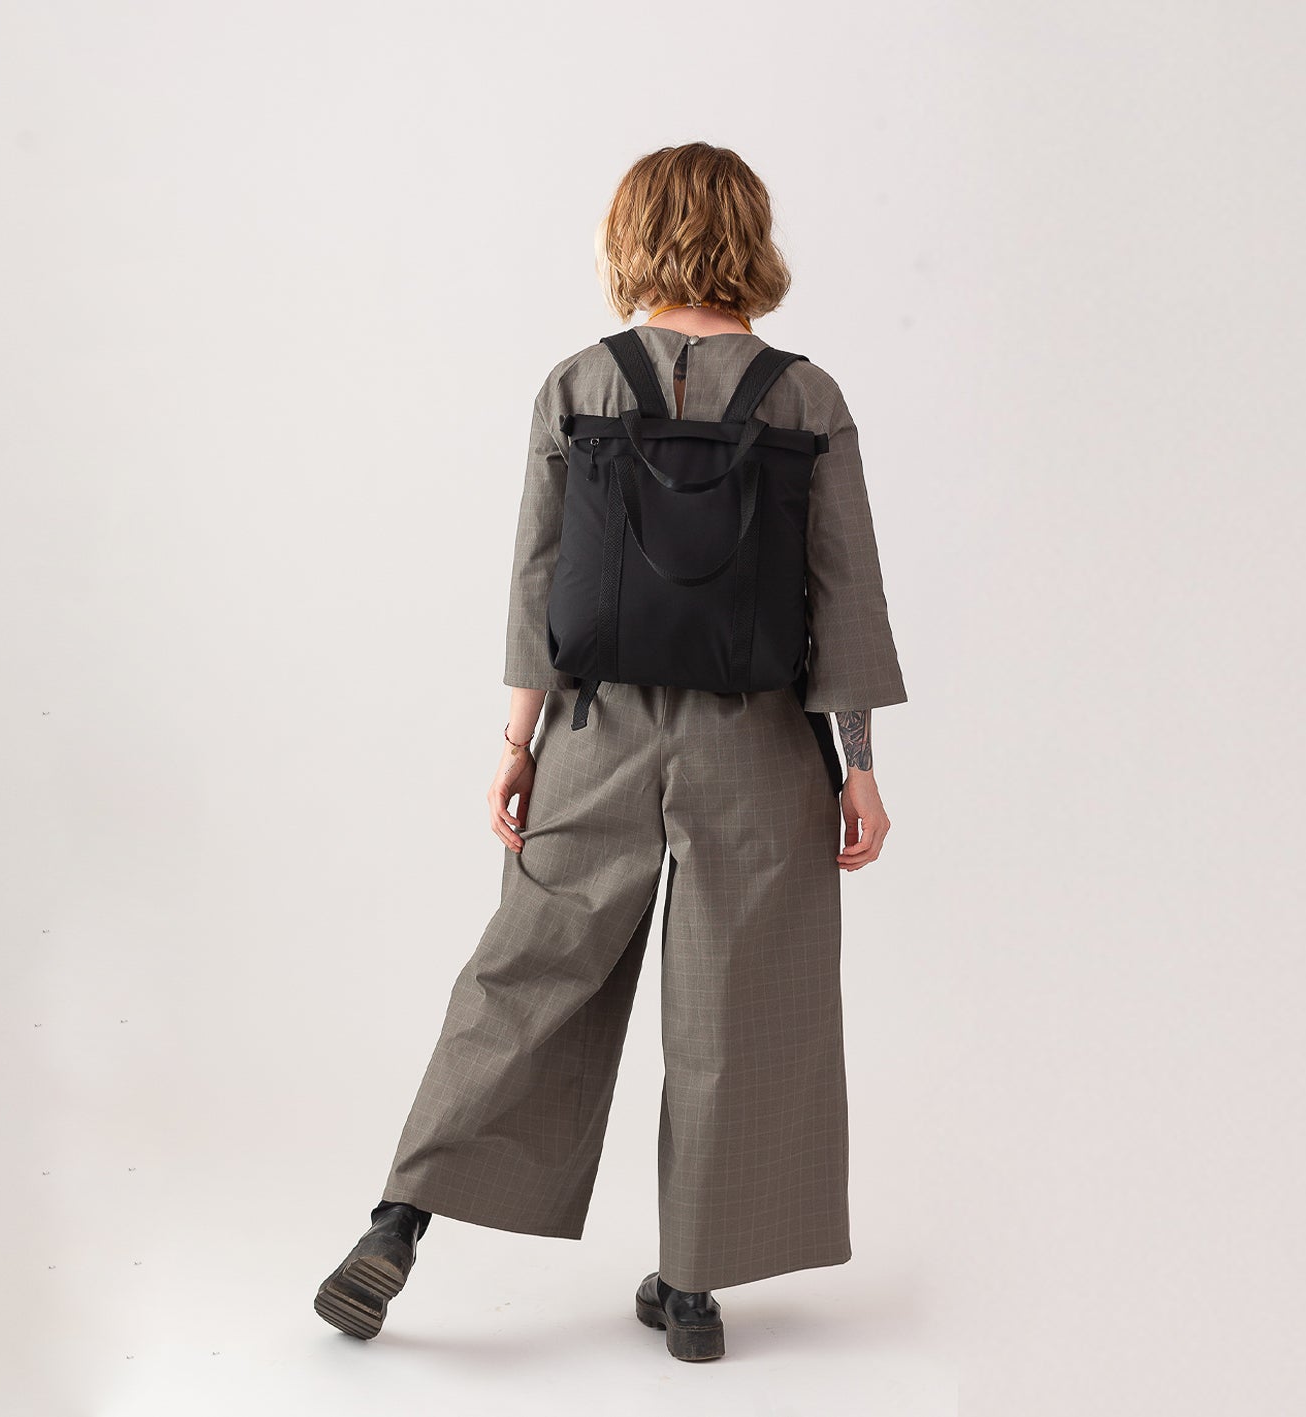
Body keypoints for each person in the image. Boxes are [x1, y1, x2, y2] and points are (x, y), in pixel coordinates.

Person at [314, 141, 907, 1363]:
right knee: (742, 1003)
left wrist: (518, 739)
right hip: (756, 740)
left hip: (596, 730)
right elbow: (843, 589)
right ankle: (691, 1291)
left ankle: (398, 1222)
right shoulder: (804, 396)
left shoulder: (579, 383)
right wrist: (856, 763)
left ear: (631, 235)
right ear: (751, 236)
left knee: (523, 977)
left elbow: (538, 578)